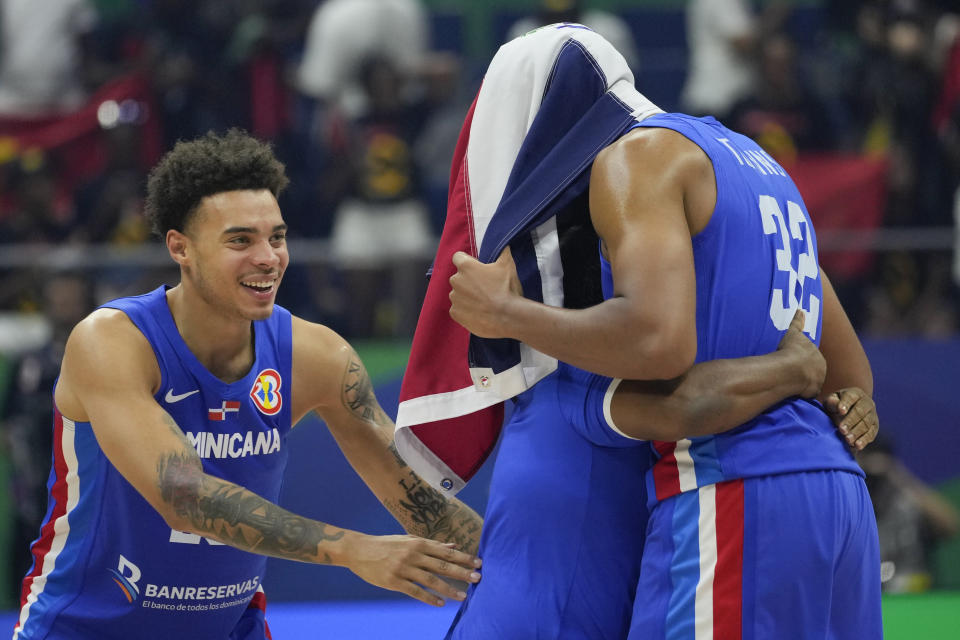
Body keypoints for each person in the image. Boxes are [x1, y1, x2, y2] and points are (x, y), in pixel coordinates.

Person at [448, 32, 881, 640]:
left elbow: (659, 345)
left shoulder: (634, 159)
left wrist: (506, 316)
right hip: (840, 494)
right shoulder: (758, 166)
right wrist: (818, 384)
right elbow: (847, 371)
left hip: (734, 486)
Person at [12, 129, 483, 640]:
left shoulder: (317, 356)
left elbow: (421, 504)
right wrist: (351, 549)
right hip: (84, 629)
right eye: (240, 240)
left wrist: (529, 560)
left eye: (276, 237)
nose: (268, 257)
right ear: (181, 248)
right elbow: (185, 498)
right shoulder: (112, 342)